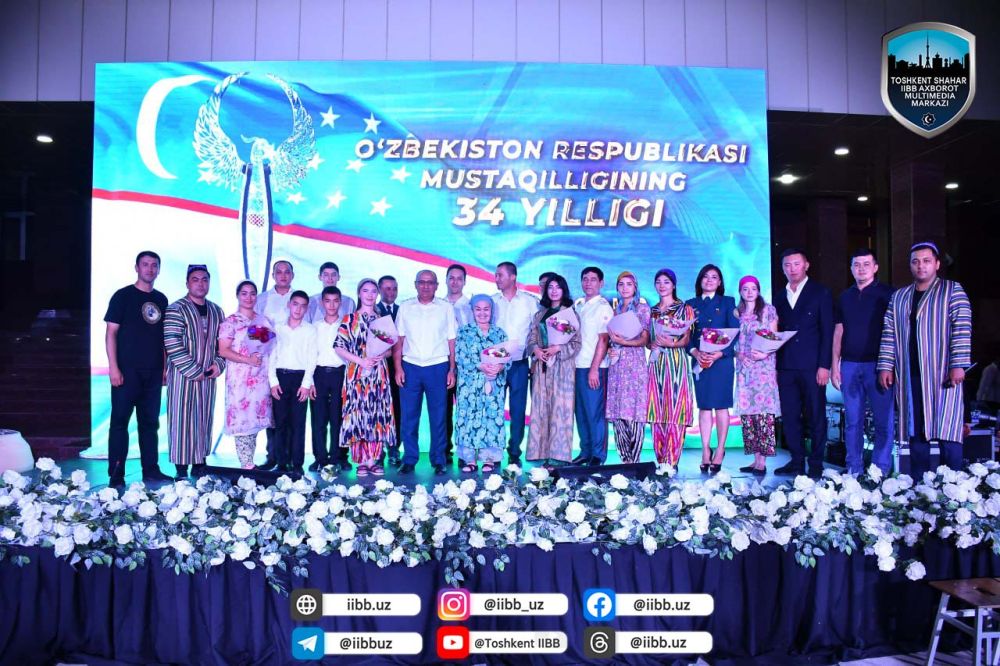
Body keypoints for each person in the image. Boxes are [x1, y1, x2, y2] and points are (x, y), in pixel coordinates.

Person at [878, 242, 972, 480]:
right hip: (910, 373)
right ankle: (920, 485)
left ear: (937, 264)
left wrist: (958, 364)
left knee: (948, 429)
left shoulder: (952, 290)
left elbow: (962, 328)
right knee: (916, 429)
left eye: (926, 261)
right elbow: (889, 332)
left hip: (942, 372)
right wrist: (886, 365)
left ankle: (954, 485)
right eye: (915, 261)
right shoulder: (900, 296)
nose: (921, 266)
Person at [103, 250, 172, 486]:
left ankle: (151, 470)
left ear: (158, 270)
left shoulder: (161, 300)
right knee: (120, 422)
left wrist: (164, 368)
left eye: (154, 265)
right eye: (145, 264)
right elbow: (111, 333)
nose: (150, 269)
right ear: (137, 268)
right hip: (126, 371)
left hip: (153, 372)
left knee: (150, 423)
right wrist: (113, 368)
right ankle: (116, 473)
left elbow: (164, 338)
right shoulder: (122, 296)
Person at [832, 249, 895, 475]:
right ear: (851, 269)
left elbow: (895, 331)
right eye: (856, 265)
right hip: (849, 365)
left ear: (875, 267)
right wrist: (834, 365)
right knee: (852, 422)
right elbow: (838, 332)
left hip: (878, 366)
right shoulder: (844, 297)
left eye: (866, 264)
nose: (861, 269)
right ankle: (854, 469)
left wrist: (890, 365)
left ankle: (880, 471)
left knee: (883, 422)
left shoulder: (888, 294)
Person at [774, 249, 834, 478]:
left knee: (815, 415)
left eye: (796, 264)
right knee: (790, 417)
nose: (792, 269)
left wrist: (824, 365)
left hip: (812, 366)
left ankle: (816, 463)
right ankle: (796, 461)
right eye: (787, 265)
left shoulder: (821, 292)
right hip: (786, 366)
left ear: (806, 265)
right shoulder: (779, 297)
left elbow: (827, 331)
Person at [164, 264, 226, 479]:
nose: (200, 284)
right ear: (187, 283)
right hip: (183, 376)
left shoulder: (217, 311)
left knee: (203, 418)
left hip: (208, 376)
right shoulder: (176, 309)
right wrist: (193, 370)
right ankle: (181, 468)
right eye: (195, 279)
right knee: (182, 419)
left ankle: (200, 462)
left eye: (205, 279)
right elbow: (172, 343)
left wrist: (219, 364)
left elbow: (223, 344)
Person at [394, 270, 457, 475]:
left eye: (430, 282)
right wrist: (398, 368)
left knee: (439, 416)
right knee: (408, 415)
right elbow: (399, 340)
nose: (426, 286)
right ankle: (409, 458)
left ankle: (438, 459)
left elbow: (451, 340)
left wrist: (451, 369)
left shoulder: (446, 308)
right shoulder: (405, 307)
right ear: (415, 284)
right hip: (410, 366)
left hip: (438, 366)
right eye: (422, 282)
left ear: (437, 285)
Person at [335, 278, 397, 476]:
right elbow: (339, 347)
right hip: (357, 374)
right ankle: (361, 461)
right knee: (358, 415)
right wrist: (361, 361)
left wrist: (381, 355)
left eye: (373, 291)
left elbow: (390, 349)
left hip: (378, 374)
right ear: (359, 293)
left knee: (376, 415)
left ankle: (374, 460)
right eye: (365, 291)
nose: (370, 295)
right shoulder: (350, 319)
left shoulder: (382, 320)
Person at [687, 264, 738, 473]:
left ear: (720, 282)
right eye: (706, 277)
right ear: (700, 280)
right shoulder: (691, 304)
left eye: (714, 277)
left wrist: (719, 353)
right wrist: (695, 353)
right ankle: (705, 449)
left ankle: (720, 449)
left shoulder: (728, 302)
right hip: (700, 361)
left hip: (721, 362)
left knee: (722, 406)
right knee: (705, 406)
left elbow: (735, 332)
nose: (709, 280)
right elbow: (686, 335)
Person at [217, 280, 274, 470]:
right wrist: (247, 359)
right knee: (242, 421)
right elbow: (223, 350)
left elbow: (267, 347)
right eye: (244, 293)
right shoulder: (230, 322)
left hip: (260, 378)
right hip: (240, 379)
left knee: (255, 420)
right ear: (237, 296)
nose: (249, 297)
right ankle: (246, 464)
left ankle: (250, 463)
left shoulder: (262, 320)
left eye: (252, 293)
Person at [526, 275, 582, 466]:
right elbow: (531, 338)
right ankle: (540, 452)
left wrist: (558, 348)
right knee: (541, 408)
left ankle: (558, 456)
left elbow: (576, 343)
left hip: (562, 368)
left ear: (563, 290)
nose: (554, 291)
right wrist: (535, 349)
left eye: (558, 287)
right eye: (550, 287)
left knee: (561, 409)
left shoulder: (570, 314)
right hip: (542, 367)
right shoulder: (539, 315)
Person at [454, 294, 508, 474]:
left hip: (493, 385)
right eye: (478, 309)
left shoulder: (499, 333)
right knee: (468, 419)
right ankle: (469, 458)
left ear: (492, 311)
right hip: (470, 386)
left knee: (491, 419)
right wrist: (480, 366)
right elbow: (460, 358)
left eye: (486, 309)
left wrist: (500, 366)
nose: (482, 313)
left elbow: (507, 358)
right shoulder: (464, 332)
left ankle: (489, 458)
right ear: (472, 310)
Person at [646, 269, 695, 467]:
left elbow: (686, 338)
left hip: (676, 363)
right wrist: (651, 344)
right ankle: (660, 461)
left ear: (673, 285)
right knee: (657, 410)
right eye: (658, 282)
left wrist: (671, 344)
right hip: (656, 363)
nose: (662, 285)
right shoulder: (652, 311)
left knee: (676, 408)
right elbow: (648, 339)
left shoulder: (684, 309)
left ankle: (672, 462)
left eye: (666, 281)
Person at [733, 276, 781, 476]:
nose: (750, 292)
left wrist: (764, 354)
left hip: (763, 368)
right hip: (744, 369)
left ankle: (762, 461)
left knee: (763, 414)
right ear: (740, 292)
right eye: (745, 289)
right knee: (749, 415)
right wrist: (738, 355)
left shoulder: (768, 310)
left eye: (753, 288)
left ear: (759, 290)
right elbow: (731, 341)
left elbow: (774, 338)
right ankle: (755, 459)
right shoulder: (736, 313)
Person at [492, 262, 539, 465]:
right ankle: (493, 452)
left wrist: (534, 358)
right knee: (494, 408)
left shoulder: (530, 302)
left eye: (500, 275)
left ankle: (514, 451)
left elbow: (536, 332)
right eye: (495, 275)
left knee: (518, 410)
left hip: (519, 363)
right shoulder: (492, 301)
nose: (496, 279)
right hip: (495, 363)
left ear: (513, 277)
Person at [267, 290, 316, 474]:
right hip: (280, 377)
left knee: (298, 423)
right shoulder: (277, 328)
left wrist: (306, 384)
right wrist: (273, 381)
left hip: (299, 378)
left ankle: (297, 464)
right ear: (289, 304)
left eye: (303, 306)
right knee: (280, 423)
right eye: (295, 304)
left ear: (307, 308)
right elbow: (271, 355)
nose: (298, 309)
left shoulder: (310, 330)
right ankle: (281, 463)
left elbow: (312, 358)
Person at [254, 259, 295, 470]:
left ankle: (290, 458)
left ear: (292, 276)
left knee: (291, 414)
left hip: (294, 363)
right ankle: (272, 456)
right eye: (279, 272)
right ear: (273, 275)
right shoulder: (262, 299)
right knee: (271, 412)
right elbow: (253, 328)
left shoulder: (299, 299)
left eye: (287, 272)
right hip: (268, 362)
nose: (283, 275)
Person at [607, 271, 651, 464]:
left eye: (629, 284)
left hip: (634, 365)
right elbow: (611, 339)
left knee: (634, 410)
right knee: (618, 411)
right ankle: (625, 460)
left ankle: (635, 459)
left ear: (635, 287)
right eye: (621, 284)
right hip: (617, 366)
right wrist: (611, 348)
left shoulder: (642, 308)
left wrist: (623, 342)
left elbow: (644, 339)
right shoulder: (614, 310)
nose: (625, 288)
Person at [573, 266, 613, 466]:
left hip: (594, 367)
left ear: (601, 283)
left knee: (594, 412)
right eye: (585, 279)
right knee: (581, 412)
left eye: (593, 279)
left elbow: (604, 340)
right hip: (576, 365)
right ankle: (585, 451)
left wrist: (595, 368)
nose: (588, 283)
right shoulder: (578, 305)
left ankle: (598, 454)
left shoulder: (603, 307)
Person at [309, 286, 350, 472]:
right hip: (318, 374)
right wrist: (309, 381)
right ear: (321, 303)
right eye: (327, 301)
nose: (331, 305)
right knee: (319, 419)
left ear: (340, 302)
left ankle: (337, 457)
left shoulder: (346, 325)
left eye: (335, 301)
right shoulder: (315, 327)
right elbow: (310, 354)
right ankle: (320, 458)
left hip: (340, 373)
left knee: (338, 418)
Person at [444, 264, 474, 466]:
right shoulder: (438, 305)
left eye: (459, 278)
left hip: (466, 367)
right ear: (446, 280)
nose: (455, 282)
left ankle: (465, 452)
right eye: (451, 278)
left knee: (465, 410)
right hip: (442, 364)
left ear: (464, 281)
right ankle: (445, 449)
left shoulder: (472, 306)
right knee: (444, 409)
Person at [375, 275, 403, 467]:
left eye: (393, 288)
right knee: (377, 409)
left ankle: (394, 448)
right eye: (386, 288)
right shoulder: (371, 310)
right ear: (379, 290)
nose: (390, 292)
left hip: (399, 368)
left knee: (397, 408)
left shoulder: (404, 311)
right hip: (377, 367)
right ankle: (377, 450)